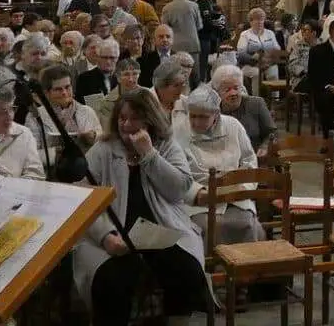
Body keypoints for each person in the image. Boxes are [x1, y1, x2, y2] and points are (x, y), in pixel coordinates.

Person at [73, 89, 208, 326]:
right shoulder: (103, 149)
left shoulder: (166, 144)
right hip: (114, 233)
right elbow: (83, 199)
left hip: (161, 228)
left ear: (149, 119)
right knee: (111, 280)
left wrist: (149, 155)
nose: (126, 125)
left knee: (186, 270)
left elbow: (179, 189)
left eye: (134, 118)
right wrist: (105, 237)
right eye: (121, 118)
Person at [180, 85, 266, 246]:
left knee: (246, 224)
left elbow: (249, 160)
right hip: (199, 200)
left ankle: (244, 267)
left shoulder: (233, 126)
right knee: (211, 226)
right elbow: (176, 173)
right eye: (193, 116)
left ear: (216, 114)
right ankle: (211, 268)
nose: (196, 122)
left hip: (235, 196)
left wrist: (244, 187)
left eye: (203, 117)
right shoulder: (179, 131)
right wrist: (196, 193)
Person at [28, 64, 102, 171]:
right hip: (51, 174)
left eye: (67, 87)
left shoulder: (87, 111)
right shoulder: (35, 117)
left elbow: (101, 145)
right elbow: (31, 155)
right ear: (47, 93)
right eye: (58, 89)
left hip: (85, 171)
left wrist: (93, 137)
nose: (64, 93)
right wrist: (57, 153)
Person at [210, 64, 275, 153]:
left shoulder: (256, 103)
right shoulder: (211, 110)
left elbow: (272, 133)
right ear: (217, 92)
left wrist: (265, 147)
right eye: (227, 90)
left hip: (255, 158)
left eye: (236, 88)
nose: (233, 93)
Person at [160, 0, 203, 84]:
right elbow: (199, 26)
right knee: (194, 75)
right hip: (192, 45)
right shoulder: (194, 6)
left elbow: (165, 28)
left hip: (175, 46)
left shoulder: (167, 8)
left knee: (176, 74)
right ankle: (195, 95)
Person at [236, 8, 281, 95]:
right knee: (257, 73)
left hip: (268, 63)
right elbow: (241, 54)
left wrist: (268, 59)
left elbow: (277, 49)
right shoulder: (245, 34)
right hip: (251, 65)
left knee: (273, 73)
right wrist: (256, 60)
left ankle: (274, 102)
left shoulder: (270, 33)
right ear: (251, 21)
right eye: (257, 19)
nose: (260, 22)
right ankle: (256, 99)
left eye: (262, 19)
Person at [93, 57, 145, 130]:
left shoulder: (148, 95)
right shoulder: (106, 103)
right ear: (118, 77)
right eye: (126, 74)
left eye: (135, 74)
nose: (130, 79)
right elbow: (106, 132)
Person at [195, 0, 227, 86]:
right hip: (203, 37)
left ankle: (204, 82)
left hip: (205, 37)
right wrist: (217, 24)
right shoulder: (203, 2)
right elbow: (206, 22)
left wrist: (218, 18)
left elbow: (211, 17)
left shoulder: (206, 2)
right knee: (202, 64)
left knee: (204, 64)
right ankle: (201, 84)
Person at [285, 18, 320, 91]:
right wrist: (304, 72)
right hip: (301, 79)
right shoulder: (298, 46)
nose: (302, 32)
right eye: (302, 30)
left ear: (314, 33)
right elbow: (292, 65)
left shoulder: (322, 46)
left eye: (306, 30)